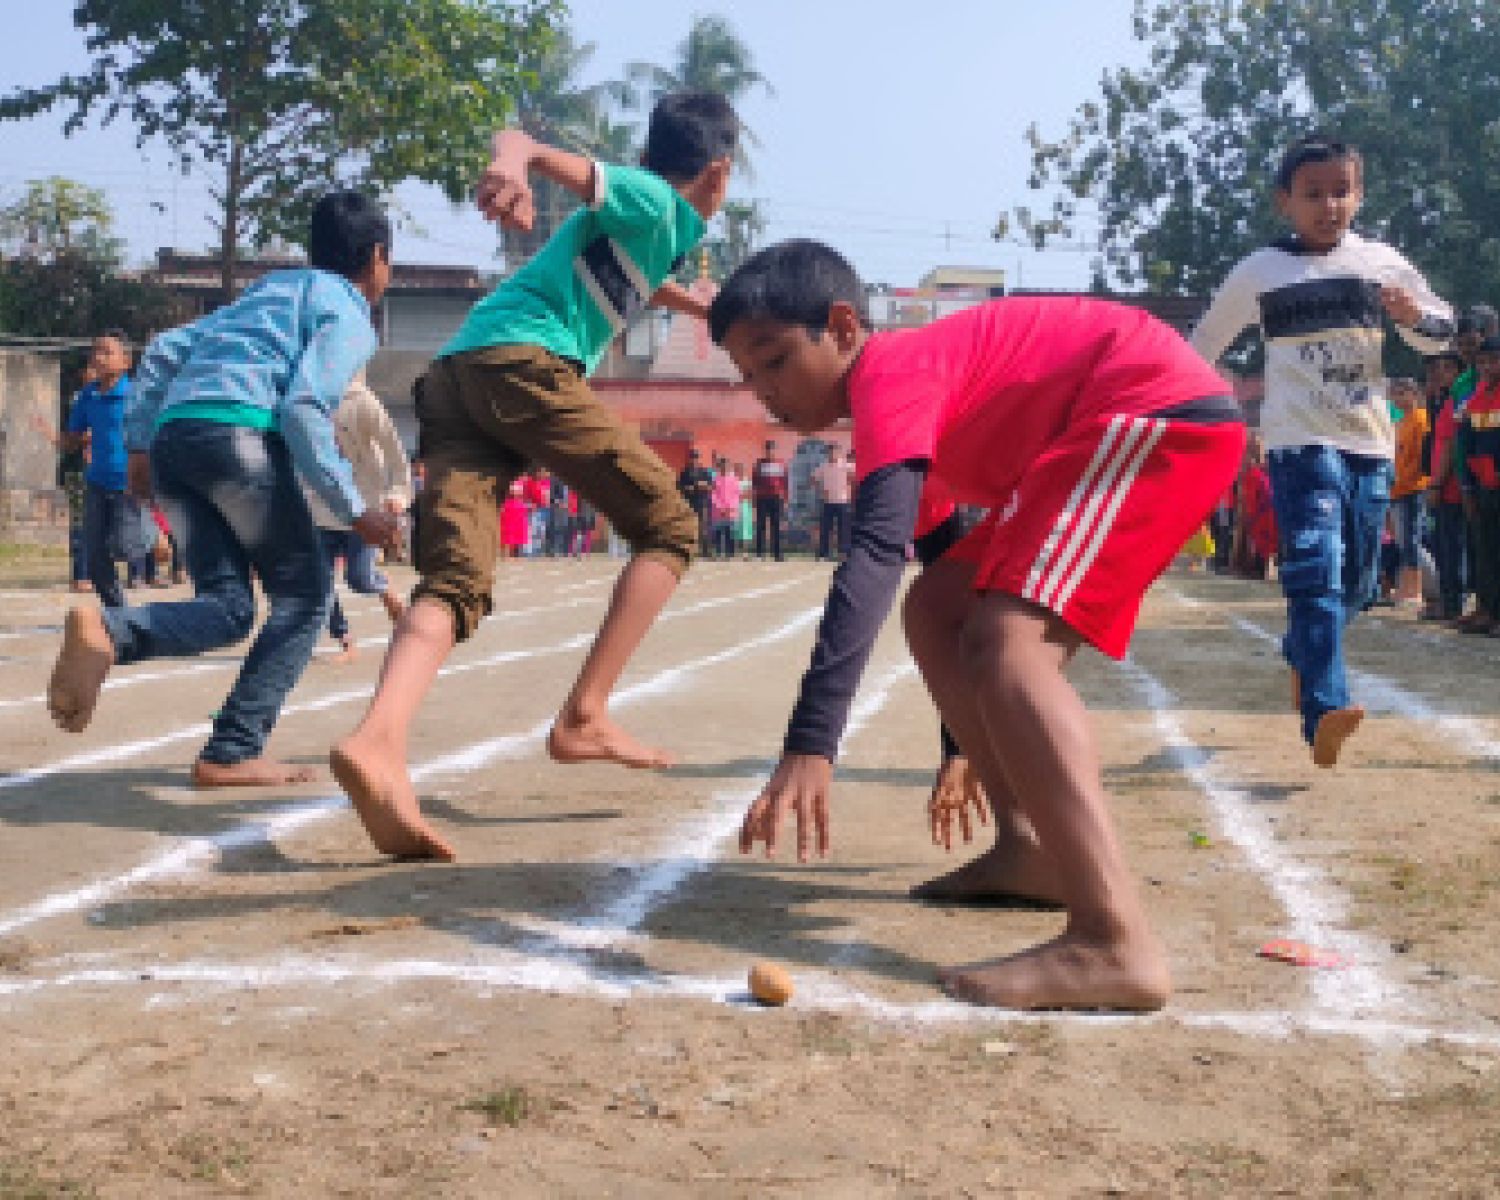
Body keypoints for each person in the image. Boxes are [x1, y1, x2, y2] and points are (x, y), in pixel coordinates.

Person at [708, 239, 1244, 1012]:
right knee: (942, 609)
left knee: (1010, 647)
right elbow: (938, 575)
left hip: (1154, 410)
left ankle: (1112, 939)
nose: (763, 391)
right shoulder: (894, 414)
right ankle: (1029, 850)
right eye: (747, 375)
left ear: (844, 327)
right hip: (1103, 429)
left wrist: (812, 742)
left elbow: (872, 559)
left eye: (777, 360)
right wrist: (960, 745)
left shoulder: (892, 375)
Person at [330, 91, 738, 861]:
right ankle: (585, 713)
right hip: (523, 366)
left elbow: (633, 281)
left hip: (457, 376)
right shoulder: (657, 204)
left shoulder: (645, 233)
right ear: (716, 175)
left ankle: (377, 740)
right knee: (671, 525)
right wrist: (512, 165)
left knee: (454, 579)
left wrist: (699, 308)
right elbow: (524, 142)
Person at [45, 191, 402, 787]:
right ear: (376, 259)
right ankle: (233, 749)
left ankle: (110, 631)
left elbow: (162, 351)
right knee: (307, 597)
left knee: (231, 606)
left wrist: (138, 445)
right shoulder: (347, 312)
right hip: (241, 436)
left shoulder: (266, 292)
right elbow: (304, 408)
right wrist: (355, 510)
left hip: (175, 440)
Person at [1190, 133, 1452, 767]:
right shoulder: (1261, 271)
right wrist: (1162, 398)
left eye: (1341, 191)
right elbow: (1202, 344)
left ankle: (1302, 651)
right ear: (1286, 201)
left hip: (1368, 443)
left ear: (1358, 195)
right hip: (1299, 443)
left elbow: (1440, 334)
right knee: (1313, 566)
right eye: (1313, 193)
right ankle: (1324, 708)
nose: (1328, 204)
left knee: (1357, 583)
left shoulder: (1379, 263)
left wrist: (1412, 316)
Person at [304, 370, 412, 663]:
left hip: (363, 508)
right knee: (318, 584)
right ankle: (345, 640)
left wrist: (398, 494)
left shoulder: (362, 402)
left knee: (360, 579)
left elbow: (395, 453)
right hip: (320, 507)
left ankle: (383, 585)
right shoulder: (302, 402)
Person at [59, 333, 134, 607]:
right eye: (95, 352)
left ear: (126, 361)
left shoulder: (135, 395)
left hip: (129, 483)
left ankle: (160, 544)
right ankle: (117, 610)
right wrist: (63, 440)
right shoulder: (87, 396)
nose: (98, 358)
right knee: (95, 552)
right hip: (97, 482)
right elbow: (74, 435)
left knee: (125, 546)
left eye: (106, 352)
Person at [1454, 336, 1500, 634]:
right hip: (1484, 488)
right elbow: (1467, 445)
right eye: (1483, 362)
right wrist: (1468, 489)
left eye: (1494, 361)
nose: (1487, 367)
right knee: (1485, 551)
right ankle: (1488, 609)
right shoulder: (1476, 397)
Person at [1425, 350, 1468, 621]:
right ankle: (1447, 599)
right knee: (1443, 546)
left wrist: (1437, 484)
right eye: (1439, 368)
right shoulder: (1444, 401)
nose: (1441, 373)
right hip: (1441, 485)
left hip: (1450, 487)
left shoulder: (1458, 402)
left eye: (1448, 368)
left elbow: (1451, 446)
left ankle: (1454, 603)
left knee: (1454, 547)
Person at [1387, 377, 1429, 607]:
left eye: (1403, 393)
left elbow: (1421, 456)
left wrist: (1410, 480)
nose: (1399, 398)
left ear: (1414, 394)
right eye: (1396, 394)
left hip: (1414, 487)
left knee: (1412, 539)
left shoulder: (1421, 419)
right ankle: (1406, 587)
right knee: (1403, 541)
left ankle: (1417, 589)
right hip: (1398, 488)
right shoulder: (1401, 422)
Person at [812, 442, 854, 560]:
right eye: (830, 451)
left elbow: (856, 474)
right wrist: (821, 490)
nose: (832, 454)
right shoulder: (823, 466)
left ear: (839, 453)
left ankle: (843, 552)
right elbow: (813, 478)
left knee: (843, 529)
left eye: (835, 451)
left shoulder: (846, 465)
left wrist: (850, 484)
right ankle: (824, 553)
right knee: (826, 528)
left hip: (843, 501)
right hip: (828, 502)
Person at [751, 439, 788, 560]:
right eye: (768, 449)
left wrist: (785, 499)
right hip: (762, 498)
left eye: (772, 449)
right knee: (760, 526)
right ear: (765, 451)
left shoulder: (781, 464)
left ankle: (777, 553)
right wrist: (754, 498)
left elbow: (785, 482)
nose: (770, 452)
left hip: (777, 498)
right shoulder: (759, 464)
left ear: (775, 450)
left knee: (776, 526)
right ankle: (759, 553)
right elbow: (754, 483)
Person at [676, 447, 714, 555]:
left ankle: (706, 550)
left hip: (702, 503)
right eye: (692, 457)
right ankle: (691, 550)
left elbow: (711, 486)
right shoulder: (685, 473)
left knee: (704, 527)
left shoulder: (704, 471)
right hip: (689, 503)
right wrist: (689, 488)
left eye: (696, 457)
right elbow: (679, 488)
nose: (694, 460)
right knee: (690, 528)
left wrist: (703, 485)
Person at [709, 454, 740, 558]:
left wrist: (730, 507)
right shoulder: (715, 479)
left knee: (729, 533)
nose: (724, 467)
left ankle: (730, 553)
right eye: (722, 465)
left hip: (730, 511)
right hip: (718, 511)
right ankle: (718, 552)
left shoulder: (734, 479)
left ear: (729, 466)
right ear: (719, 467)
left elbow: (736, 495)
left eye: (726, 465)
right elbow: (713, 494)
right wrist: (720, 507)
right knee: (718, 532)